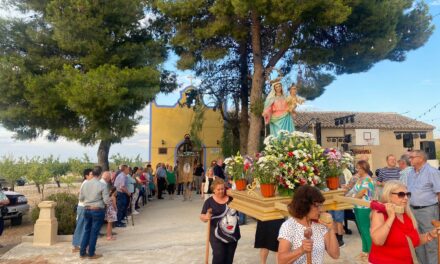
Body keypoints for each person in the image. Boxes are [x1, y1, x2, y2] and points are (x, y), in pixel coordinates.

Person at [369, 180, 438, 264]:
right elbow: (378, 241)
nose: (405, 198)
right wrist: (391, 218)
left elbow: (411, 240)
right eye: (401, 194)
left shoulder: (406, 214)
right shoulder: (379, 213)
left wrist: (429, 235)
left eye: (407, 194)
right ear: (389, 195)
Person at [277, 185, 339, 264]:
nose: (320, 210)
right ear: (305, 205)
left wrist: (331, 229)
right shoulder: (289, 226)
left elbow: (335, 255)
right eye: (317, 206)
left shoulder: (320, 225)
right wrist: (301, 250)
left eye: (321, 205)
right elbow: (281, 261)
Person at [407, 150, 440, 264]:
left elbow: (439, 193)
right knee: (417, 240)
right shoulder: (411, 172)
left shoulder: (432, 172)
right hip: (412, 210)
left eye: (412, 157)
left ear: (421, 158)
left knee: (431, 243)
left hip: (428, 211)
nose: (409, 159)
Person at [200, 178, 240, 264]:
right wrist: (206, 217)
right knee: (219, 256)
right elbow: (202, 216)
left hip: (232, 235)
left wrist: (230, 190)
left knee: (229, 260)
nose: (221, 191)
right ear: (213, 190)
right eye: (218, 189)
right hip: (216, 236)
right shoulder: (209, 201)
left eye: (222, 188)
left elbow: (241, 197)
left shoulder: (231, 198)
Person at [347, 160, 375, 260]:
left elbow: (360, 193)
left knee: (366, 230)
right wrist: (345, 196)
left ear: (364, 168)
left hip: (364, 208)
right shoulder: (360, 179)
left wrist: (350, 198)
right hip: (357, 207)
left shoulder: (367, 180)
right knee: (361, 230)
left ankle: (372, 253)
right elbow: (353, 190)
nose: (357, 170)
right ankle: (365, 250)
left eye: (359, 168)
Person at [79, 166, 109, 259]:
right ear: (100, 174)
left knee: (87, 231)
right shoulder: (102, 185)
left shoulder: (85, 184)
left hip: (86, 209)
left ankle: (82, 253)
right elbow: (106, 200)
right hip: (97, 210)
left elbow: (81, 198)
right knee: (94, 233)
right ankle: (91, 254)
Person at [72, 168, 93, 252]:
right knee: (82, 226)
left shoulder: (88, 183)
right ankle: (79, 245)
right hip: (83, 207)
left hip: (85, 207)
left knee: (83, 226)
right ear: (86, 176)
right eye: (91, 174)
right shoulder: (86, 183)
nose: (93, 176)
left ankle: (80, 244)